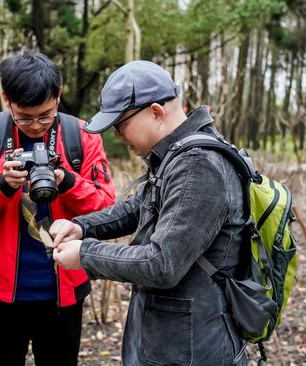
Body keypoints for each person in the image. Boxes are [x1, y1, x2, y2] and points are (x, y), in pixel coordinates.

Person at [50, 60, 247, 365]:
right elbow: (138, 208)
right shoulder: (176, 155)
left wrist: (85, 255)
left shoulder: (199, 165)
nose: (116, 135)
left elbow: (161, 262)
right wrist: (81, 227)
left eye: (121, 124)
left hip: (192, 350)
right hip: (170, 343)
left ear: (156, 112)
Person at [0, 51, 115, 366]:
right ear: (6, 98)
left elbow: (106, 207)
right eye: (24, 116)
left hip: (65, 287)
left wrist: (66, 181)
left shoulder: (81, 136)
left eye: (46, 114)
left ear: (59, 94)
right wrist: (2, 184)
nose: (36, 125)